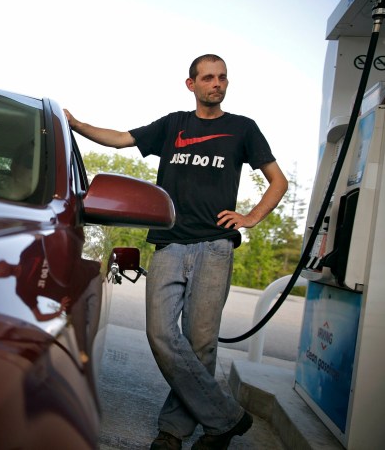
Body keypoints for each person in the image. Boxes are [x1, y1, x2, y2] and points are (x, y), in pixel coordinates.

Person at [65, 54, 288, 450]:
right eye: (207, 78)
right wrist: (78, 125)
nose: (216, 84)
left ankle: (173, 431)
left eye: (222, 77)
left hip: (214, 245)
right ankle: (226, 418)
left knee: (200, 343)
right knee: (161, 334)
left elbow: (278, 181)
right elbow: (121, 139)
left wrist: (251, 216)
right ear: (191, 84)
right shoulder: (173, 125)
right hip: (169, 241)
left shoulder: (243, 129)